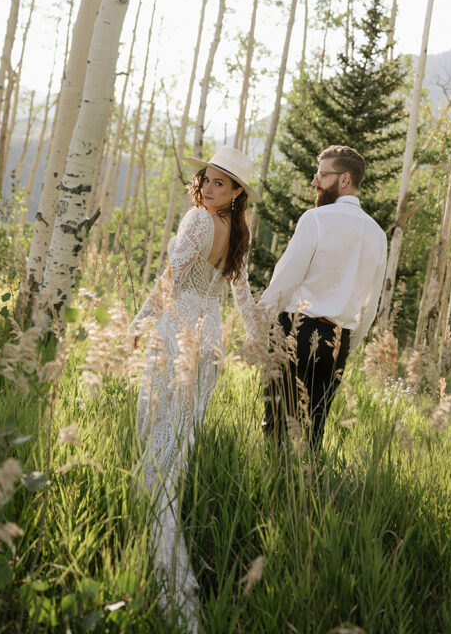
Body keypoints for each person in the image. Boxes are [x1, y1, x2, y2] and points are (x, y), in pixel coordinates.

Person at [130, 146, 260, 633]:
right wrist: (257, 338)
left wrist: (140, 321)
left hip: (178, 331)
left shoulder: (199, 221)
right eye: (206, 178)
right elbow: (242, 296)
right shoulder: (237, 232)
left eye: (220, 184)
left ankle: (156, 550)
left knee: (156, 445)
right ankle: (159, 528)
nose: (207, 188)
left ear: (236, 193)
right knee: (176, 445)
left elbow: (173, 277)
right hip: (209, 342)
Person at [258, 144, 387, 451]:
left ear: (344, 179)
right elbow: (371, 303)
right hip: (337, 343)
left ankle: (270, 491)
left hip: (294, 331)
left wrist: (258, 323)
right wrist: (347, 344)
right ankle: (305, 494)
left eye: (322, 175)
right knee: (312, 434)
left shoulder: (316, 219)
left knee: (277, 427)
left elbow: (285, 279)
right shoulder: (378, 234)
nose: (314, 182)